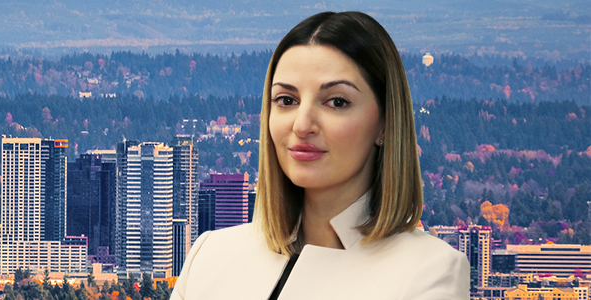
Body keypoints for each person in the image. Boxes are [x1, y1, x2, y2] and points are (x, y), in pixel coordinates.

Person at [170, 11, 469, 300]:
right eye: (286, 100)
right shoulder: (210, 256)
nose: (302, 125)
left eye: (337, 102)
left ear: (386, 123)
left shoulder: (428, 272)